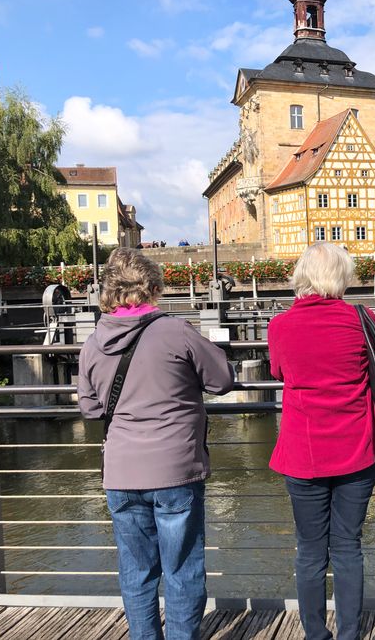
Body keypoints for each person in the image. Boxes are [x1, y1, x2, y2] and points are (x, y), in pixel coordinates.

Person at [78, 247, 234, 640]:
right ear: (152, 287)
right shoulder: (174, 331)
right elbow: (222, 381)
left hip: (121, 474)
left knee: (136, 570)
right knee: (182, 569)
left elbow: (91, 409)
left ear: (110, 292)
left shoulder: (94, 342)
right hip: (175, 470)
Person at [267, 242, 375, 640]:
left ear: (301, 277)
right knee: (348, 547)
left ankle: (316, 635)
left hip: (303, 455)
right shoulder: (362, 318)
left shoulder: (280, 326)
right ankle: (350, 634)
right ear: (343, 278)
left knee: (309, 551)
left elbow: (277, 371)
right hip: (357, 448)